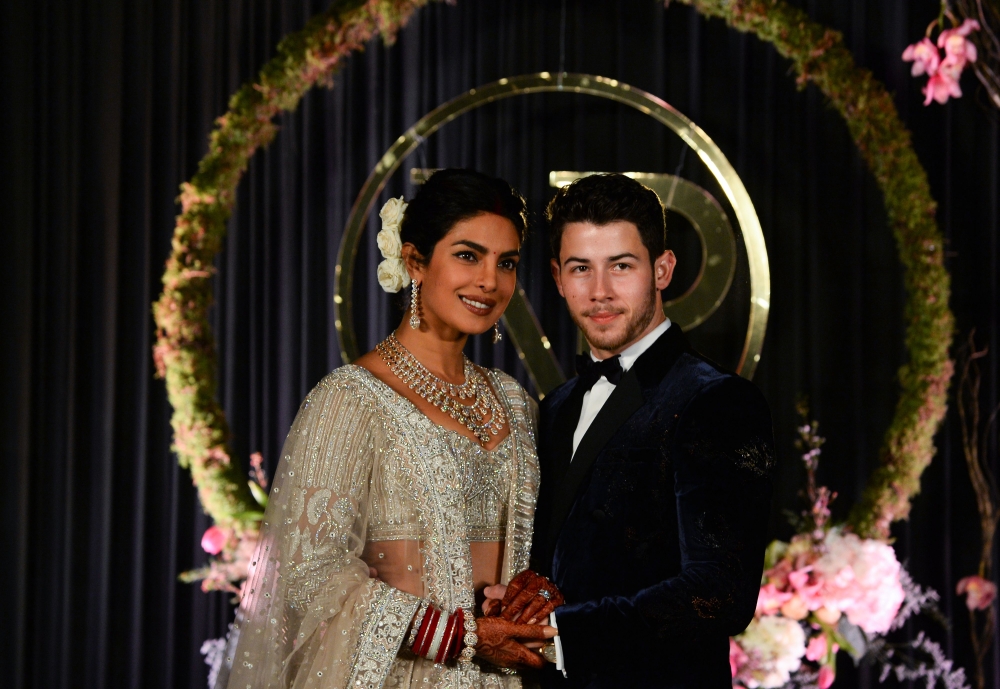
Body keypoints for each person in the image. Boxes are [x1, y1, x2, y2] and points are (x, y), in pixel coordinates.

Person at [215, 169, 564, 689]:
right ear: (415, 261)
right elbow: (311, 573)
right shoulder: (350, 400)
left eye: (506, 263)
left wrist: (534, 590)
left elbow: (541, 546)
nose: (490, 281)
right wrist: (460, 635)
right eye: (468, 255)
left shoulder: (514, 402)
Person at [486, 173, 775, 687]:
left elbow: (720, 591)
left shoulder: (717, 400)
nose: (600, 292)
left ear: (662, 270)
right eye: (581, 269)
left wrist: (560, 635)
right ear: (557, 277)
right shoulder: (554, 408)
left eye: (621, 266)